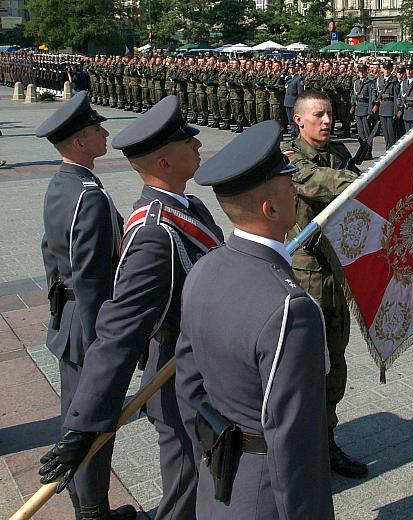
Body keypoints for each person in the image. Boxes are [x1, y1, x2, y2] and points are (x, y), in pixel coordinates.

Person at [38, 96, 224, 520]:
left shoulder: (188, 206)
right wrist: (83, 426)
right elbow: (119, 330)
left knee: (199, 484)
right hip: (175, 377)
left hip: (196, 369)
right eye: (187, 141)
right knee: (186, 491)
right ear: (163, 163)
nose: (198, 144)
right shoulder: (155, 233)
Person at [176, 121, 334, 519]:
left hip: (219, 477)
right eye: (288, 184)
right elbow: (295, 442)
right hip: (265, 496)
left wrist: (212, 451)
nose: (295, 190)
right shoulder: (290, 307)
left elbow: (189, 385)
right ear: (271, 207)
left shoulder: (204, 268)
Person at [35, 91, 135, 520]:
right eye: (97, 129)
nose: (105, 133)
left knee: (78, 412)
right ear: (79, 142)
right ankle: (92, 510)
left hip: (68, 319)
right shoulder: (89, 196)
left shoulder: (63, 184)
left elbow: (51, 255)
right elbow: (92, 280)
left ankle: (89, 505)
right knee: (92, 418)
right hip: (86, 326)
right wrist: (103, 346)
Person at [281, 89, 368, 479]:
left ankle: (328, 440)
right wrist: (366, 178)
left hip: (336, 276)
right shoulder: (290, 161)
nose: (328, 121)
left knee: (336, 365)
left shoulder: (338, 155)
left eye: (330, 114)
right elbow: (323, 184)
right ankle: (303, 450)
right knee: (306, 369)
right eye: (319, 115)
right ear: (299, 120)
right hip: (305, 281)